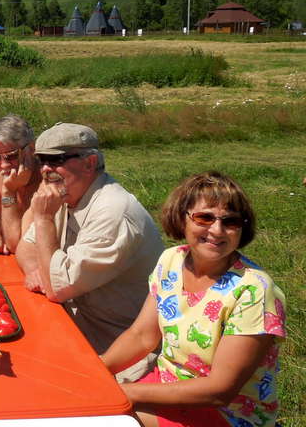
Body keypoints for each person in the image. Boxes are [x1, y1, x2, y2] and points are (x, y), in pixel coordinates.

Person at [101, 171, 286, 427]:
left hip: (227, 414)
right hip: (167, 385)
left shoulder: (254, 290)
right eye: (204, 217)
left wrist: (123, 393)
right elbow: (142, 336)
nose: (217, 230)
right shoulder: (172, 260)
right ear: (182, 218)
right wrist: (95, 373)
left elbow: (219, 391)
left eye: (230, 221)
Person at [15, 122, 163, 381]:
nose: (47, 169)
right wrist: (36, 270)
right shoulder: (65, 193)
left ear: (89, 162)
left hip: (117, 347)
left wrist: (43, 221)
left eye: (57, 159)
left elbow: (57, 290)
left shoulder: (113, 212)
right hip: (73, 324)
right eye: (42, 161)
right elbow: (25, 248)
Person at [0, 114, 39, 254]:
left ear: (31, 148)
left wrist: (8, 192)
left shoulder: (47, 176)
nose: (4, 165)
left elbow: (15, 244)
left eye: (11, 156)